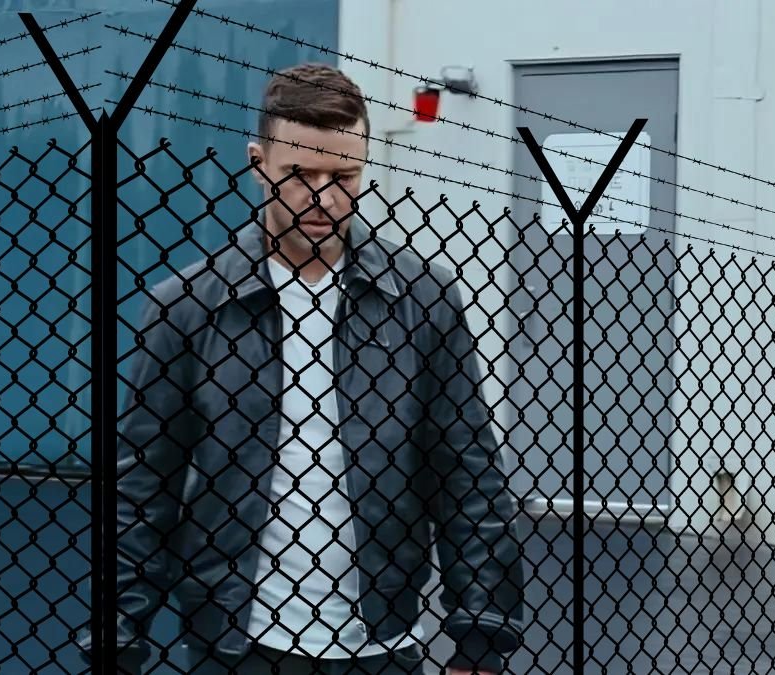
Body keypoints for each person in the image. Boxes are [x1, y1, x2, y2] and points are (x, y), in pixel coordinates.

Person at [85, 62, 525, 675]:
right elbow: (142, 491)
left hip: (382, 641)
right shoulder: (187, 308)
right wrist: (119, 640)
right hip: (238, 643)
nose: (322, 197)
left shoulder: (423, 298)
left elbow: (466, 473)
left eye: (343, 176)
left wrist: (481, 635)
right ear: (258, 162)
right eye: (299, 174)